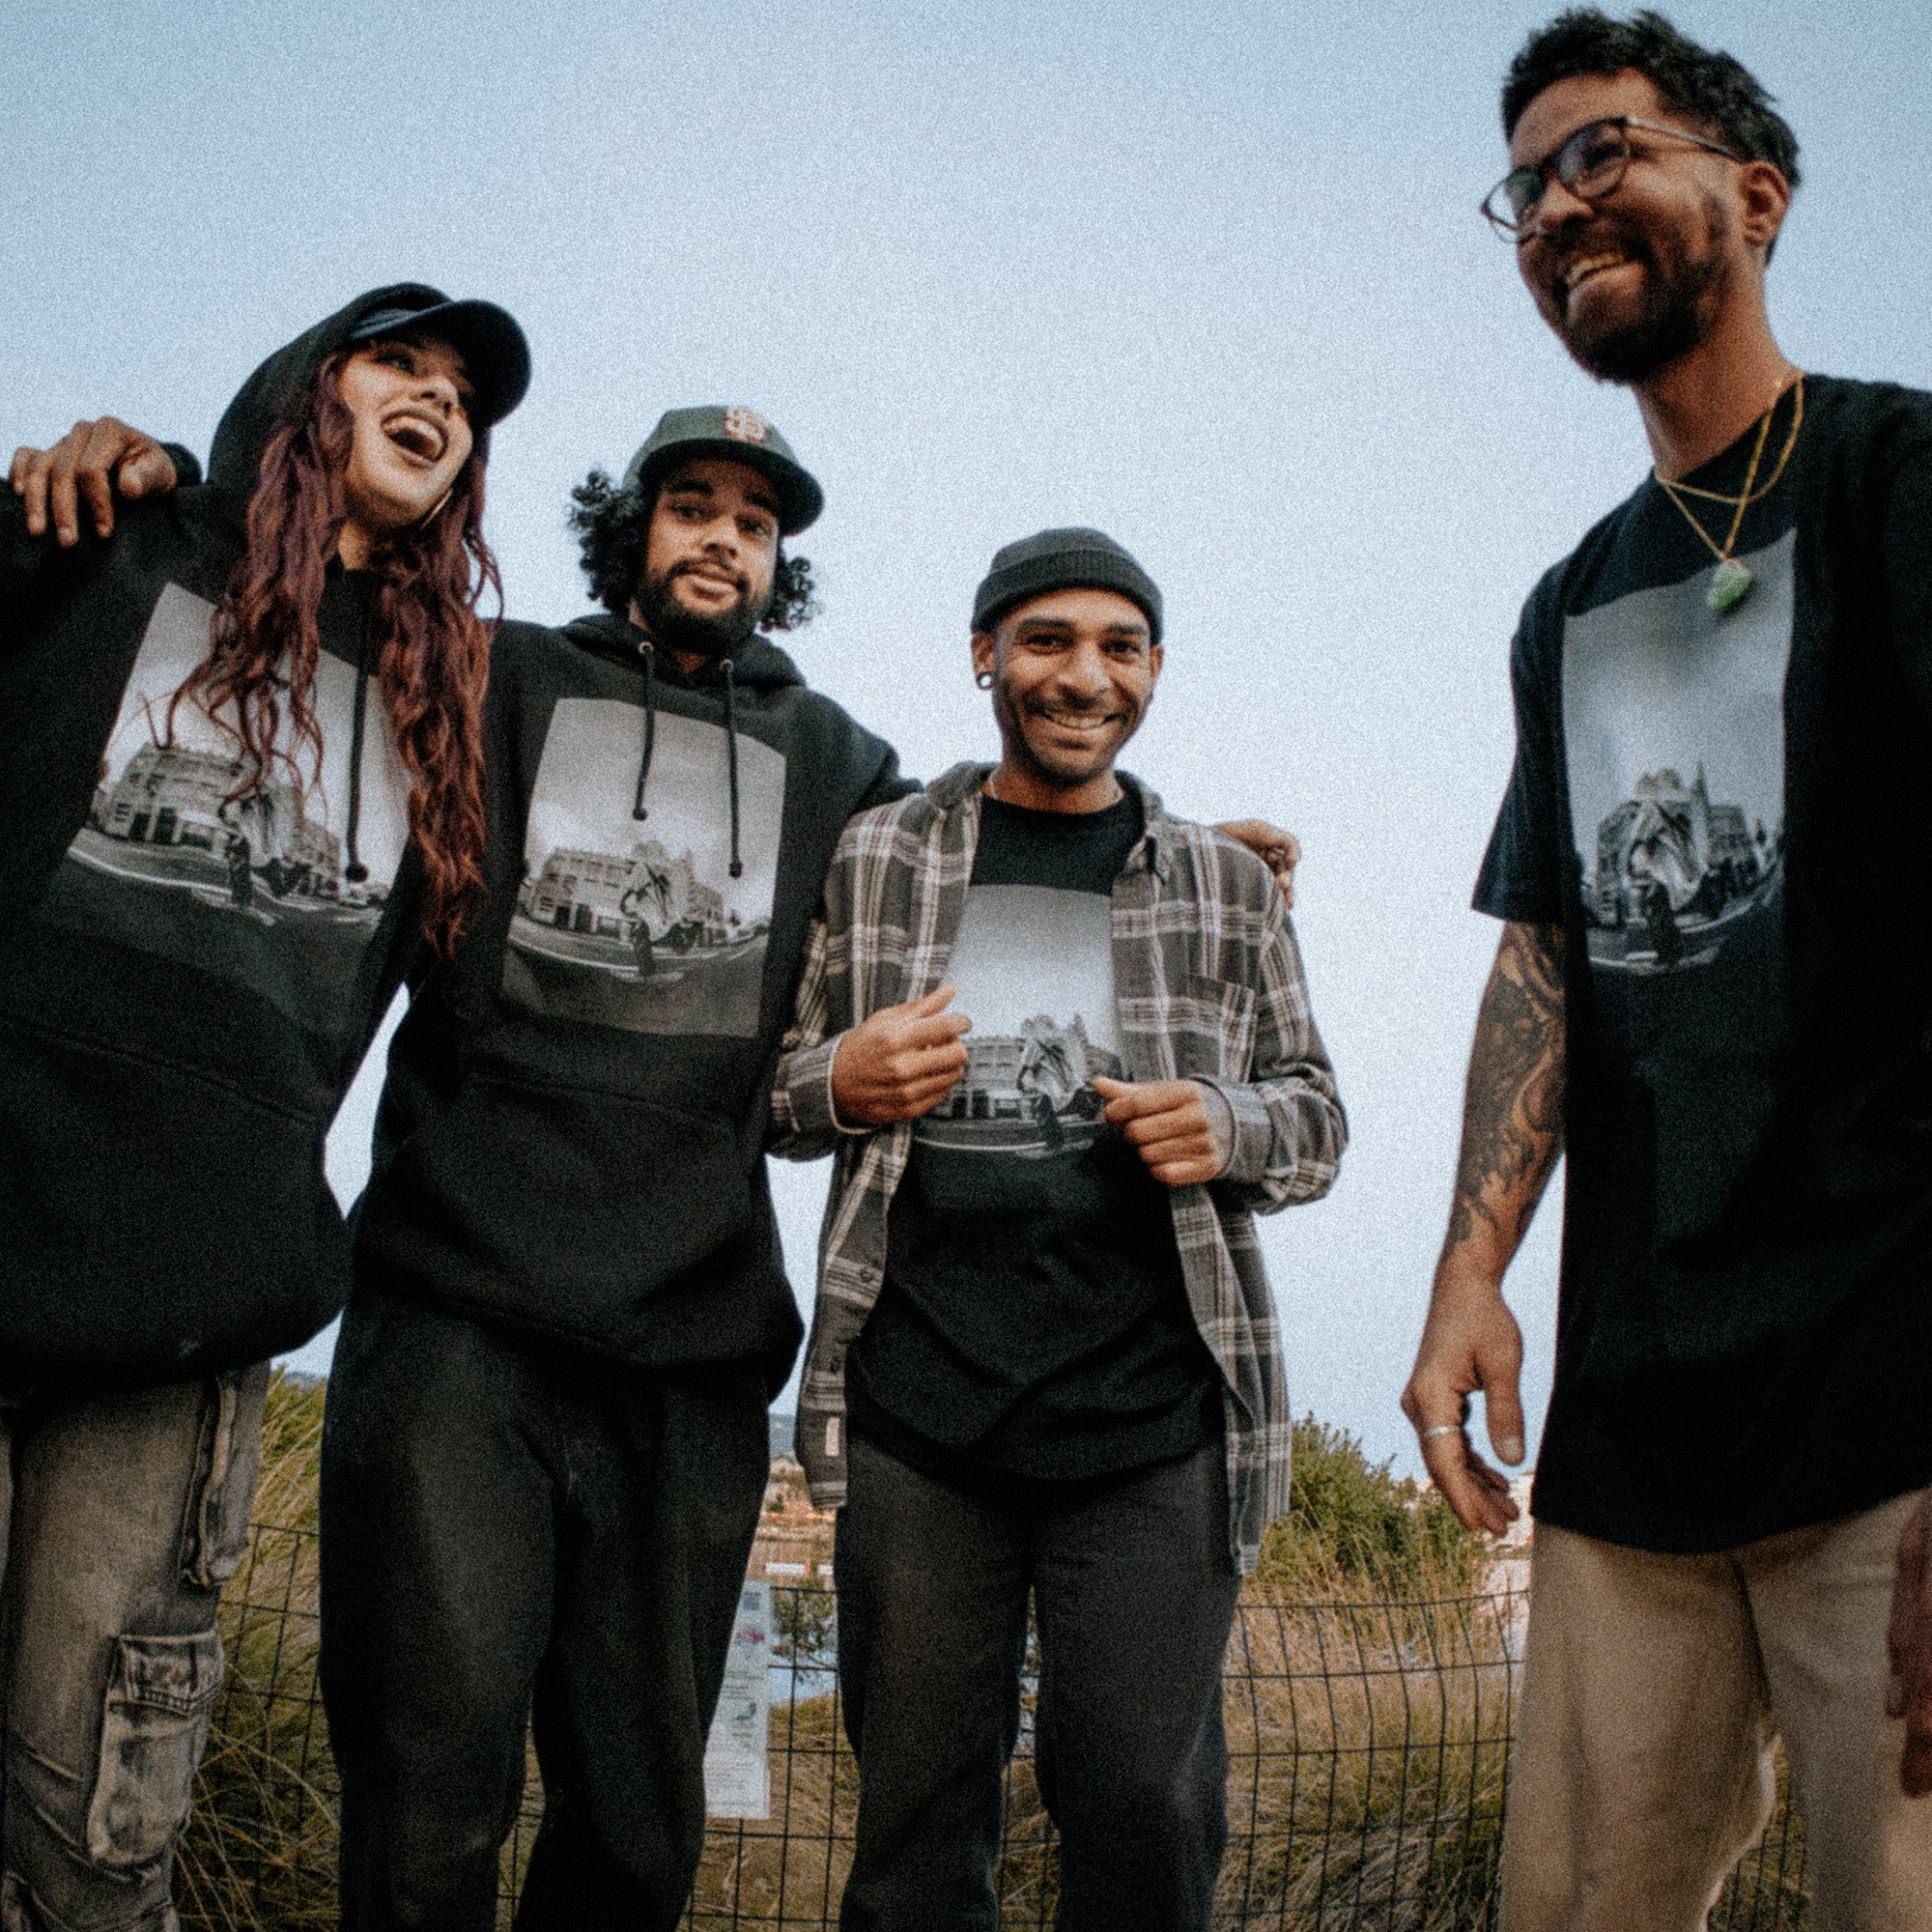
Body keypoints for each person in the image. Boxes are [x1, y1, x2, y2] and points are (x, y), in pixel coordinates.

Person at [1398, 12, 1932, 1928]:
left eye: (1601, 152)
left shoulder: (1896, 477)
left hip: (1892, 1403)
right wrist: (1469, 1274)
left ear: (1756, 195)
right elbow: (1547, 940)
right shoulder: (1571, 601)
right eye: (1527, 187)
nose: (1558, 206)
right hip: (1628, 1441)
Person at [1, 284, 528, 1932]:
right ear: (308, 390)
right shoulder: (111, 541)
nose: (437, 399)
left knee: (92, 1830)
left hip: (180, 1324)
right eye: (401, 362)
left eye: (463, 395)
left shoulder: (459, 703)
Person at [770, 527, 1347, 1930]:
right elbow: (778, 1093)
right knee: (914, 1835)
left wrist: (1232, 1125)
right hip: (919, 1421)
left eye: (1119, 646)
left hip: (1151, 1425)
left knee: (1146, 1812)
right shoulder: (880, 853)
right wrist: (838, 1080)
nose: (1084, 676)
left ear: (1153, 669)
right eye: (1045, 642)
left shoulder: (1226, 882)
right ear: (984, 656)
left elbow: (1317, 1118)